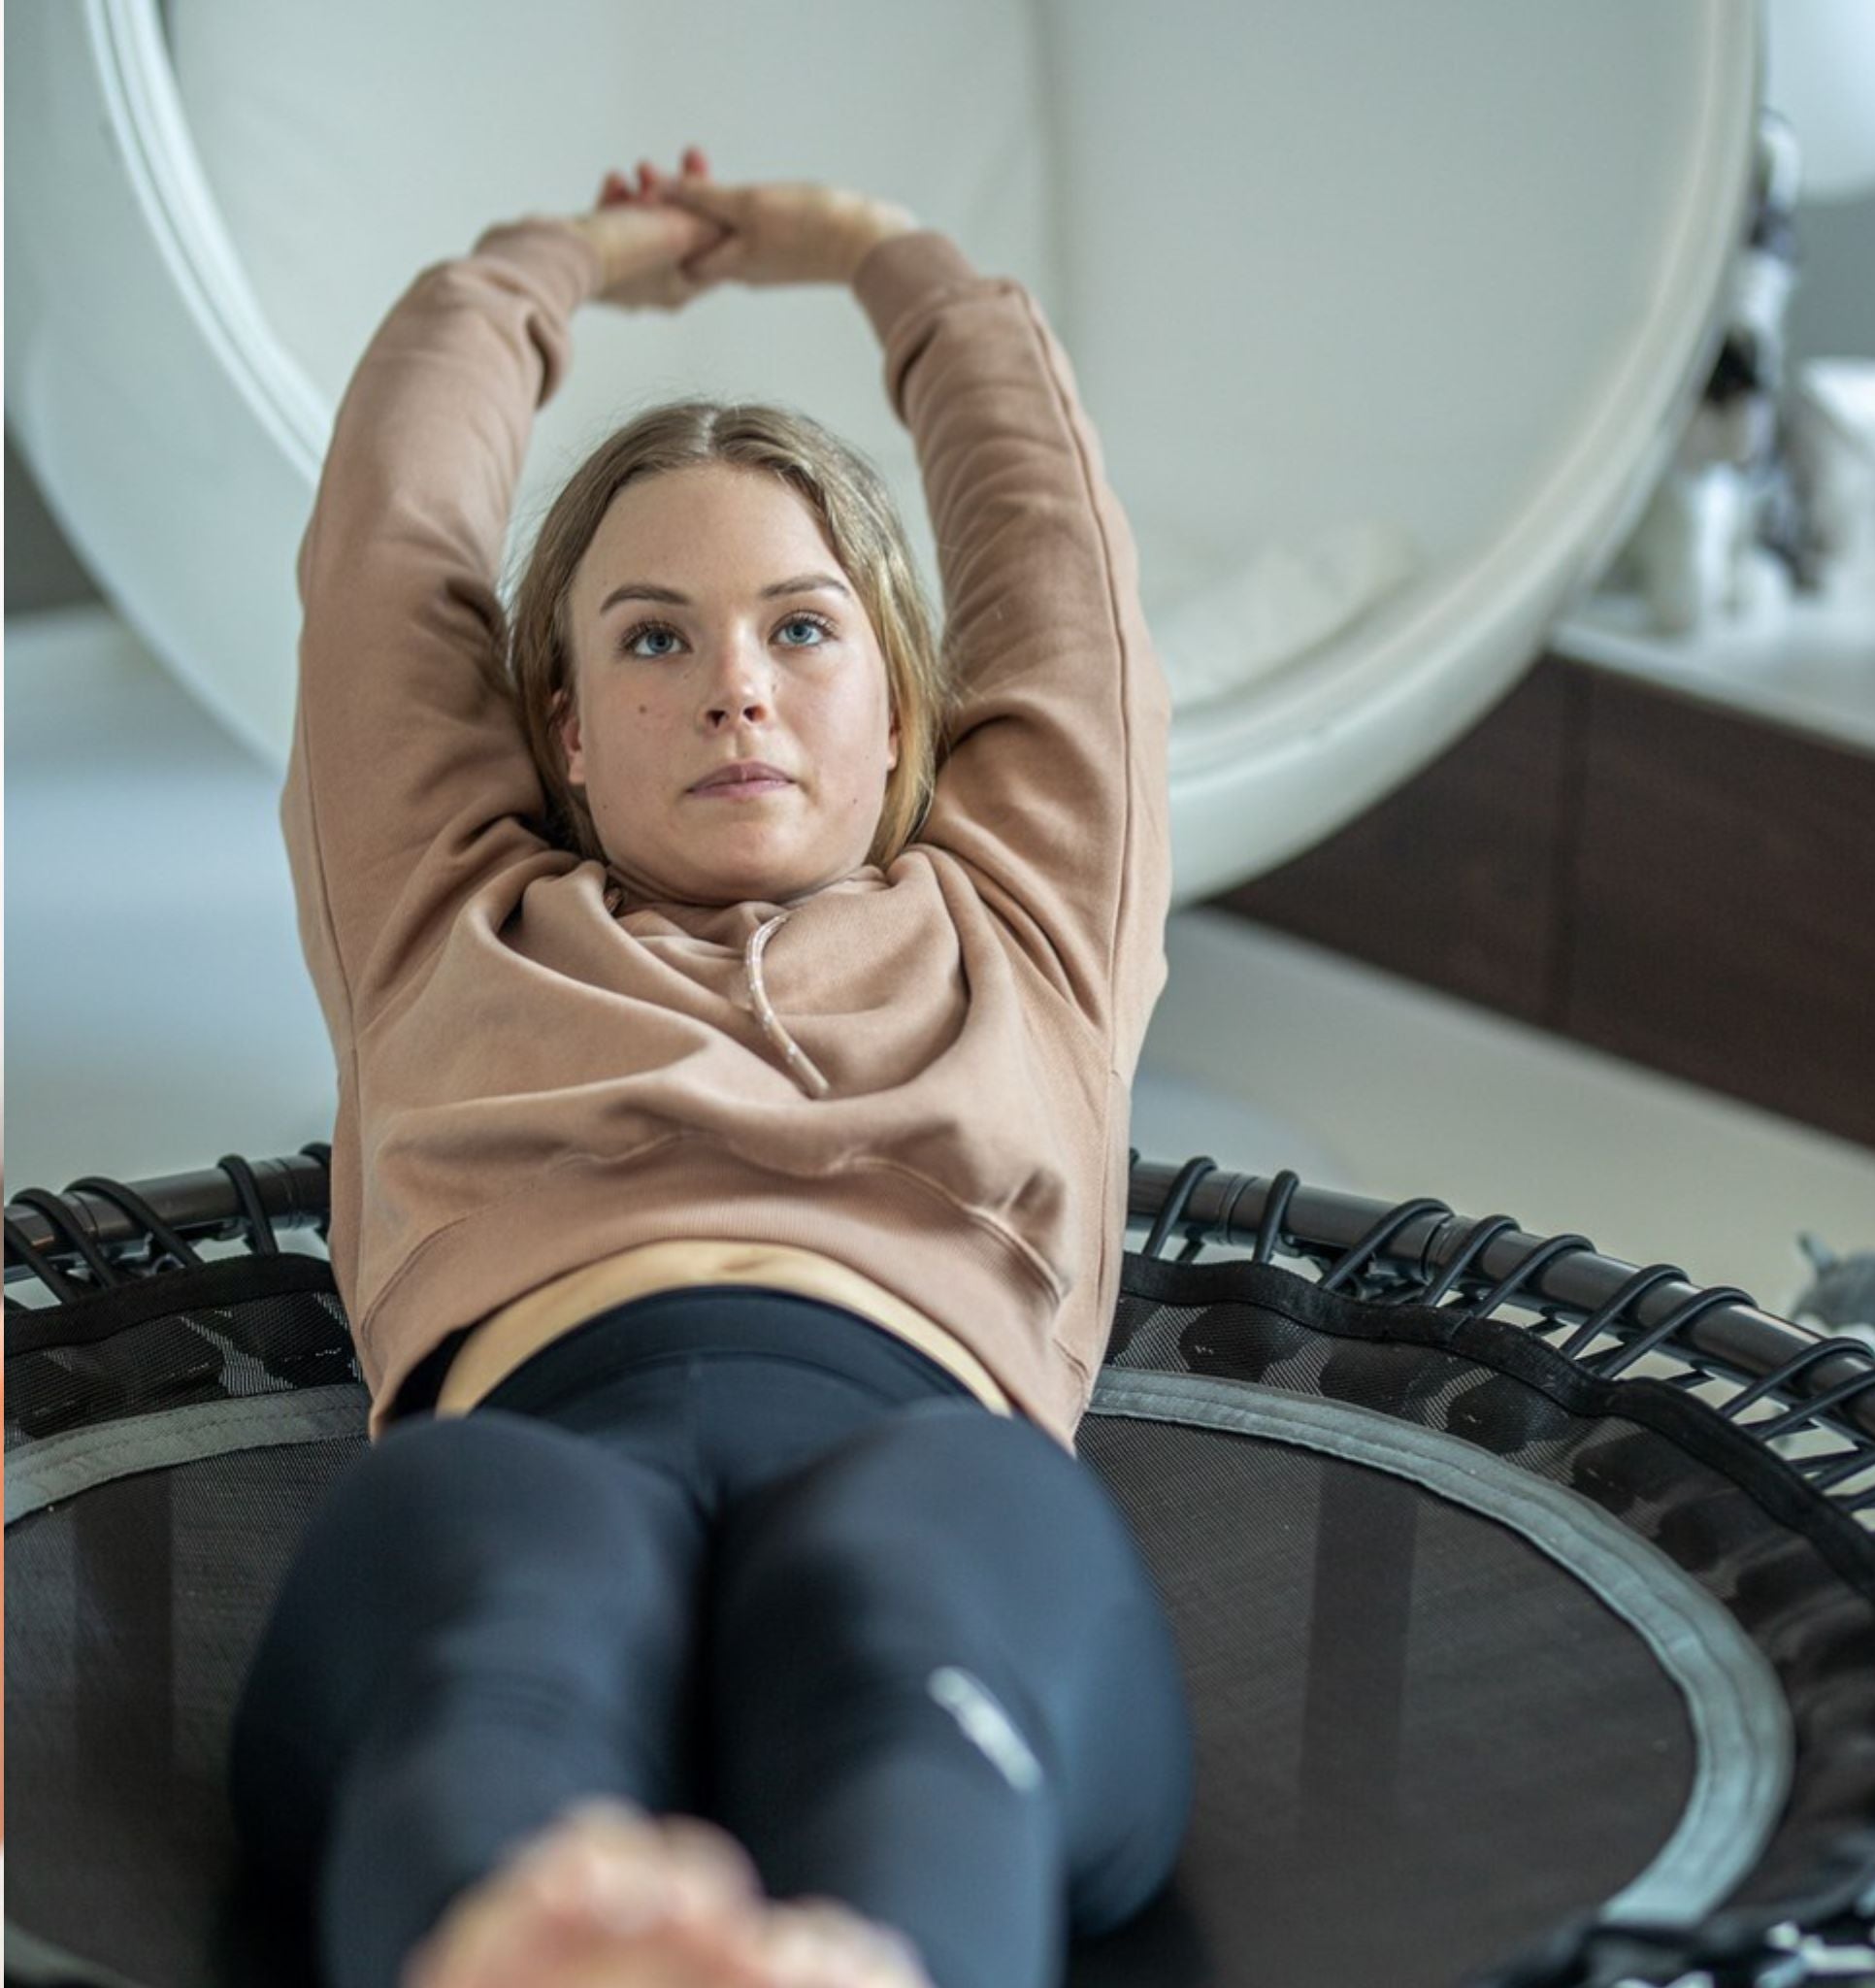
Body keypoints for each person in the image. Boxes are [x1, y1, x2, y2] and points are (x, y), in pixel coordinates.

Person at [227, 147, 1190, 1988]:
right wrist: (553, 265)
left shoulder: (1030, 919)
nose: (735, 686)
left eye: (801, 629)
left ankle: (863, 1960)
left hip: (930, 1456)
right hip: (532, 1441)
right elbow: (394, 537)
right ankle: (521, 1943)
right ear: (568, 734)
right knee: (502, 1583)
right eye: (655, 637)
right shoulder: (450, 915)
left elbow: (1049, 539)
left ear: (899, 703)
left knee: (915, 1595)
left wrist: (884, 259)